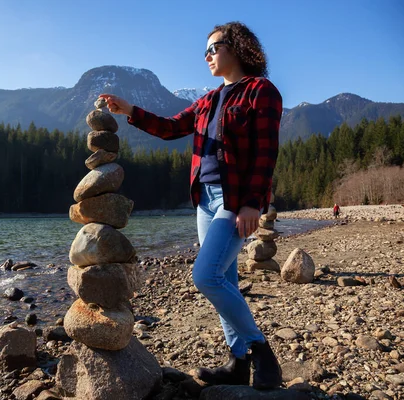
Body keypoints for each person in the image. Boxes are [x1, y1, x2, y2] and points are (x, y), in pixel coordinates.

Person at [100, 21, 282, 389]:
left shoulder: (261, 91)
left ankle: (262, 351)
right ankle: (238, 362)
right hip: (205, 200)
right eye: (206, 51)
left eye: (214, 47)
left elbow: (266, 152)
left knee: (206, 276)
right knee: (225, 278)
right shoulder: (209, 99)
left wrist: (252, 204)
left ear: (237, 47)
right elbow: (169, 128)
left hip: (234, 200)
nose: (208, 55)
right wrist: (128, 109)